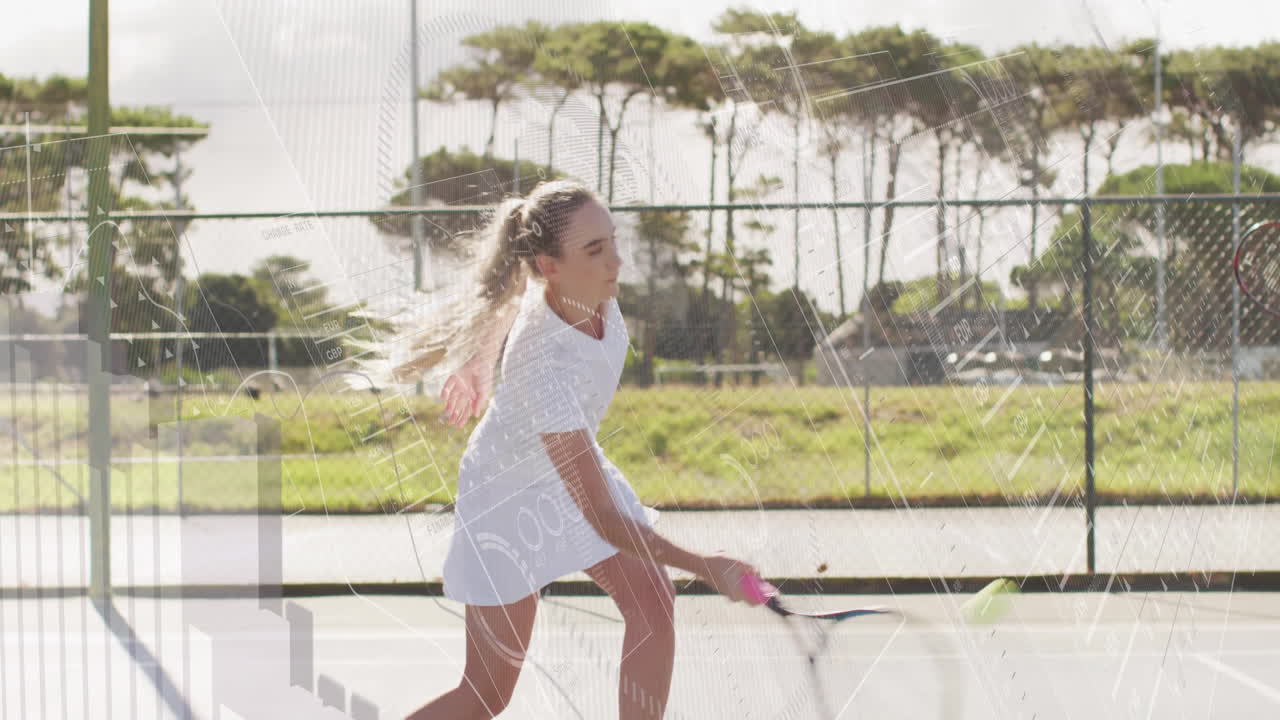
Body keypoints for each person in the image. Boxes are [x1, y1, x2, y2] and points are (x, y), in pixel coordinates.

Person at [395, 179, 763, 719]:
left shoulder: (586, 290)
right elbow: (603, 517)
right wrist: (705, 565)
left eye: (612, 240)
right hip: (508, 496)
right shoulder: (542, 362)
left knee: (652, 604)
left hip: (572, 463)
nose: (615, 260)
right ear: (550, 266)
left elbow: (511, 297)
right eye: (595, 250)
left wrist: (478, 362)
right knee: (487, 695)